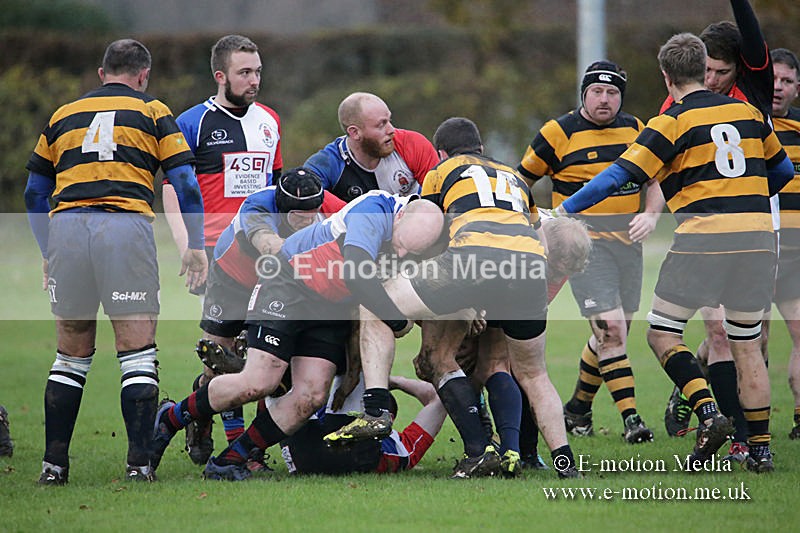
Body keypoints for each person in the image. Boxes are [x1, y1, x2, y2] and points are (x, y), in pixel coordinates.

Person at [555, 32, 795, 472]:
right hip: (761, 241)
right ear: (704, 68)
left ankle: (708, 413)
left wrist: (562, 210)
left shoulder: (670, 122)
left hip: (704, 240)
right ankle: (760, 450)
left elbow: (616, 177)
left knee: (662, 333)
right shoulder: (748, 112)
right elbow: (781, 171)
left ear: (666, 76)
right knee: (747, 345)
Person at [327, 117, 580, 479]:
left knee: (376, 303)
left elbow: (428, 230)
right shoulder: (513, 177)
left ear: (442, 152)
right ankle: (566, 465)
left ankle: (377, 408)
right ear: (480, 148)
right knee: (535, 374)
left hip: (470, 261)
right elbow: (537, 235)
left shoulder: (442, 170)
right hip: (528, 271)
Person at [150, 191, 444, 480]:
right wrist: (395, 320)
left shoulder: (413, 229)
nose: (402, 254)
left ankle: (231, 459)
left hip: (329, 309)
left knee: (311, 396)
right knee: (260, 382)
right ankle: (171, 418)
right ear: (402, 215)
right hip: (288, 283)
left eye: (412, 253)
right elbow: (357, 274)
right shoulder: (375, 209)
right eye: (402, 244)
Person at [23, 38, 207, 484]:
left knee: (70, 355)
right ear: (143, 75)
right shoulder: (153, 111)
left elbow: (33, 193)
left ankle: (54, 468)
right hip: (124, 229)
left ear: (102, 72)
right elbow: (184, 183)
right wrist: (196, 244)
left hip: (68, 231)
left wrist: (49, 251)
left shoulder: (62, 114)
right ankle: (139, 465)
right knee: (137, 351)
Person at [518, 60, 661, 444]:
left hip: (629, 249)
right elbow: (519, 183)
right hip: (583, 250)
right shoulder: (557, 133)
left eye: (612, 92)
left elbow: (656, 179)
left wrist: (650, 214)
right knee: (610, 329)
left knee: (613, 337)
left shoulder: (637, 129)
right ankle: (632, 421)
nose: (604, 99)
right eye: (596, 91)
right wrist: (539, 226)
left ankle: (577, 411)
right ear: (584, 94)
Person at [161, 34, 283, 464]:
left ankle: (235, 443)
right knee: (220, 354)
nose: (254, 80)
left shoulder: (269, 121)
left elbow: (276, 192)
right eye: (244, 72)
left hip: (262, 254)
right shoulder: (192, 122)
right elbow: (173, 192)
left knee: (256, 351)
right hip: (214, 251)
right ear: (220, 76)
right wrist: (189, 249)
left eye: (258, 72)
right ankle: (202, 416)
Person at [661, 0, 773, 464]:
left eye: (720, 71)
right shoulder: (679, 104)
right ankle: (730, 433)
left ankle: (714, 410)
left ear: (739, 69)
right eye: (705, 69)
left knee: (748, 337)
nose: (710, 80)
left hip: (749, 218)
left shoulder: (752, 90)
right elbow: (663, 167)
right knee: (723, 332)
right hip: (723, 226)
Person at [187, 167, 344, 467]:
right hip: (234, 279)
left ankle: (245, 450)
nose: (310, 217)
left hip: (279, 286)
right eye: (300, 214)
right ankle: (200, 414)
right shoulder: (258, 205)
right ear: (283, 208)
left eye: (314, 210)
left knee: (267, 369)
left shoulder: (326, 204)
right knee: (216, 361)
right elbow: (270, 247)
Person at [280, 374, 446, 475]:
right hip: (345, 461)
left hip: (301, 454)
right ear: (390, 418)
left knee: (283, 385)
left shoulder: (322, 407)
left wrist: (379, 380)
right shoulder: (399, 446)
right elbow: (441, 397)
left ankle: (255, 455)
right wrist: (395, 381)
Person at [304, 92, 439, 202]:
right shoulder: (326, 163)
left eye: (389, 120)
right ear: (355, 132)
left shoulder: (412, 143)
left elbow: (441, 195)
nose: (391, 130)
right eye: (381, 124)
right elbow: (302, 195)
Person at [768, 48, 800, 439]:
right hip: (755, 252)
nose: (778, 87)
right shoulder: (746, 123)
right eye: (772, 79)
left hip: (795, 256)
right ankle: (748, 429)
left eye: (787, 81)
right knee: (746, 340)